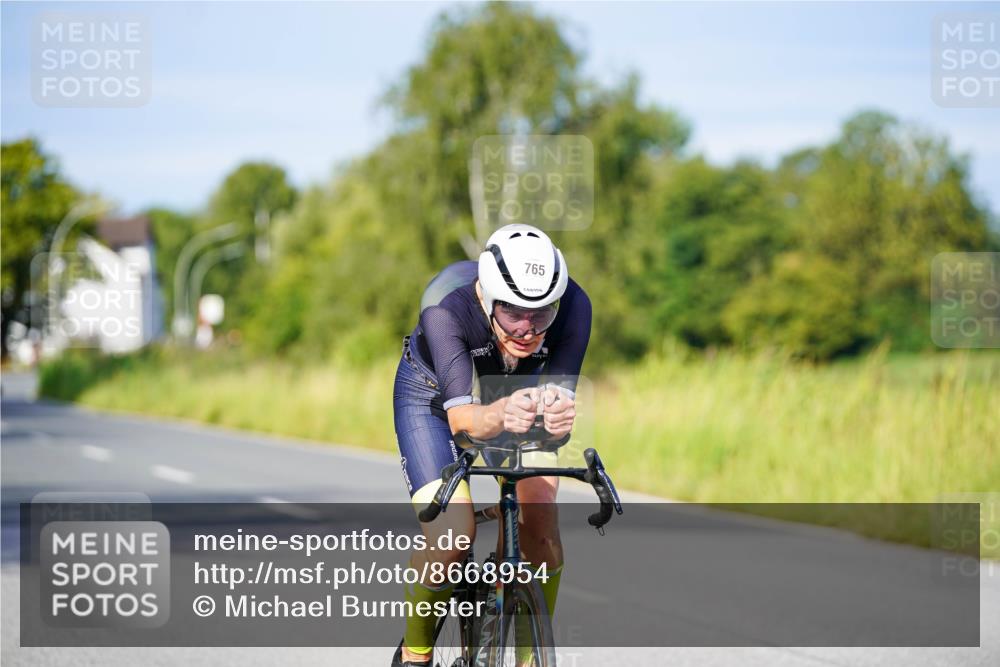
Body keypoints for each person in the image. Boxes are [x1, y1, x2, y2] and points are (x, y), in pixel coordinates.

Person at [391, 224, 592, 666]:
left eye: (541, 314)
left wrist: (557, 420)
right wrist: (502, 415)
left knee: (539, 515)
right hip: (432, 399)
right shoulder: (446, 314)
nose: (527, 329)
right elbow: (462, 424)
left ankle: (526, 653)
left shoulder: (575, 307)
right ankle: (415, 653)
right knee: (453, 535)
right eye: (513, 313)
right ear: (487, 296)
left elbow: (556, 420)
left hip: (513, 392)